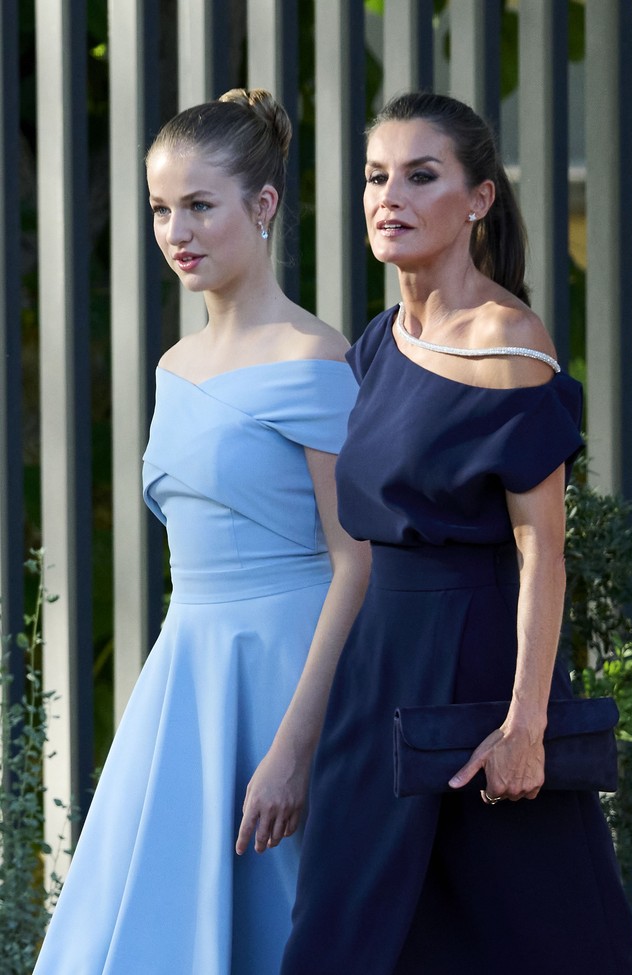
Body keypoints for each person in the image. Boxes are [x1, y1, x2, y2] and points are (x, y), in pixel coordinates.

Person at [281, 91, 632, 974]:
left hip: (481, 675)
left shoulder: (511, 343)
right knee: (347, 934)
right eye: (376, 176)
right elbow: (361, 555)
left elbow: (543, 550)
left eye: (421, 175)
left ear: (479, 198)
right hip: (379, 681)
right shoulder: (378, 342)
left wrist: (528, 723)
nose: (389, 197)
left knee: (534, 934)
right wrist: (302, 735)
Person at [33, 89, 370, 975]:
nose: (175, 230)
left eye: (199, 205)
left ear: (262, 206)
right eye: (159, 208)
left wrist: (294, 746)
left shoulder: (317, 359)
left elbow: (357, 559)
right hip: (186, 673)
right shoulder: (174, 365)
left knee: (283, 927)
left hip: (287, 680)